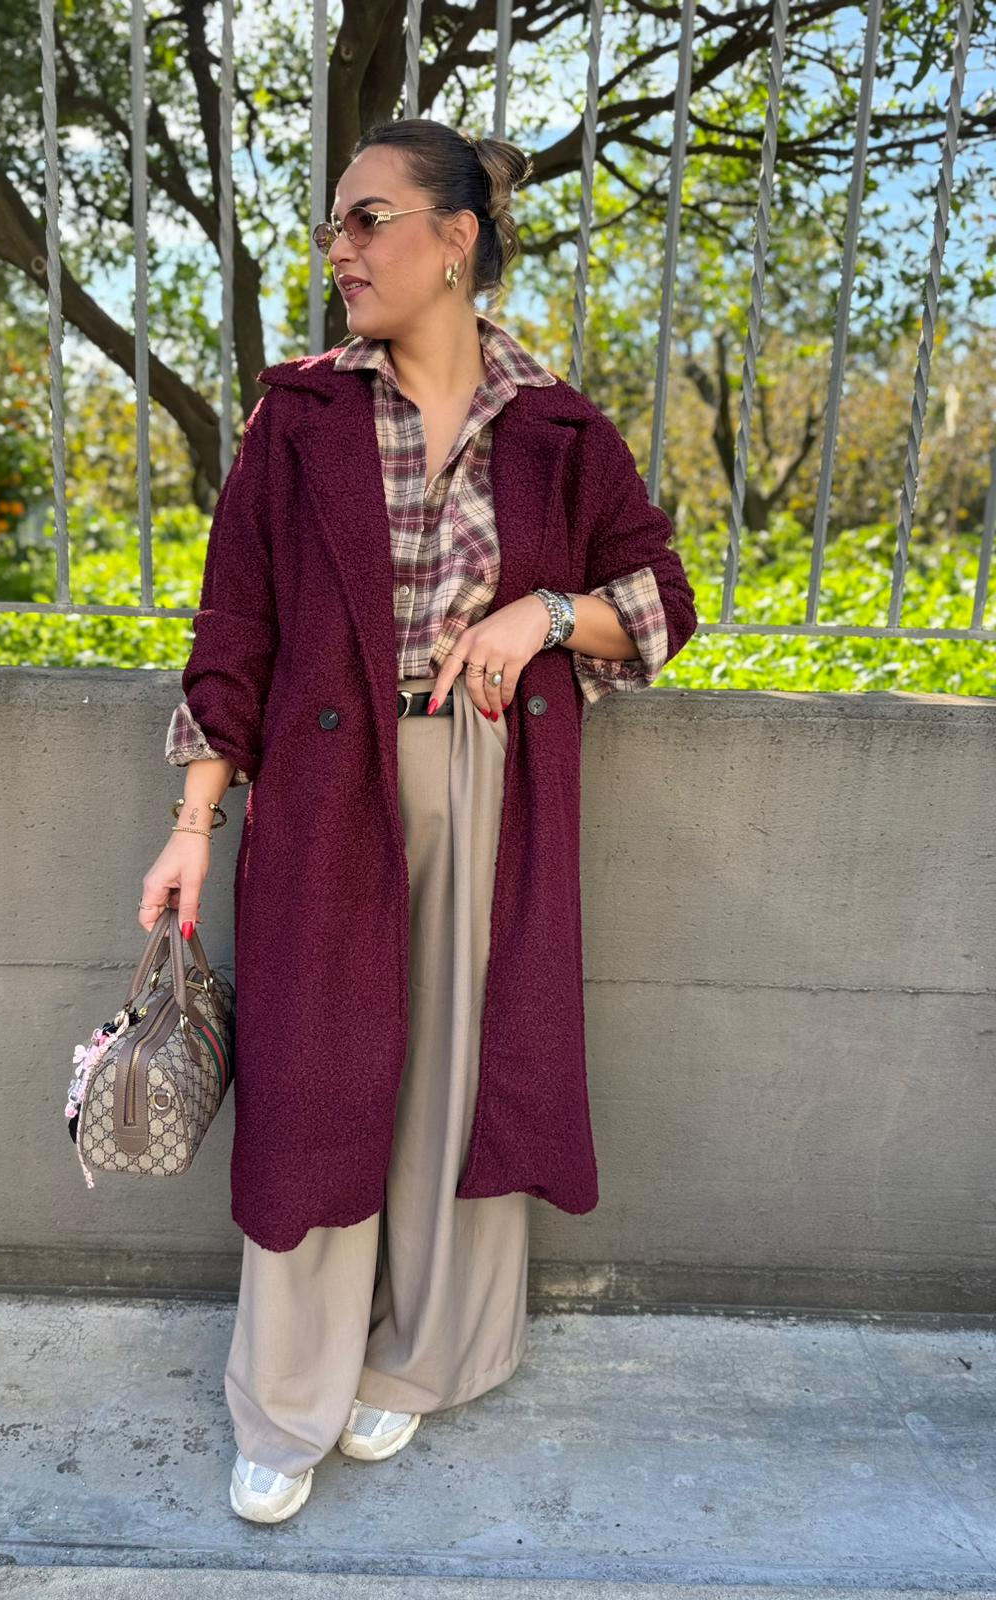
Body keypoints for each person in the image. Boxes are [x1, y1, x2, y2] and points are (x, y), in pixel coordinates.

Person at [137, 116, 698, 1524]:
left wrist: (542, 613)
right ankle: (287, 1394)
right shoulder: (298, 418)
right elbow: (236, 627)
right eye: (334, 224)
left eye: (367, 219)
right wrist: (196, 821)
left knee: (462, 1068)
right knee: (317, 1075)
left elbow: (662, 600)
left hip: (498, 778)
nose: (339, 249)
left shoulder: (559, 429)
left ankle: (430, 1351)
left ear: (456, 240)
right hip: (330, 785)